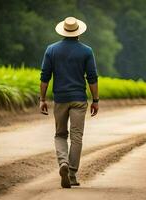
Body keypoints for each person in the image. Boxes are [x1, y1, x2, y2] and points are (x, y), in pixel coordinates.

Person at [39, 16, 99, 188]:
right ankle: (71, 174)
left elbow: (45, 77)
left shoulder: (51, 50)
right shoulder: (87, 51)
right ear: (78, 32)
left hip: (60, 99)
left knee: (60, 135)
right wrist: (95, 100)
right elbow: (92, 78)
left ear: (63, 32)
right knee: (77, 137)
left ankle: (63, 163)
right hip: (79, 100)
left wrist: (42, 99)